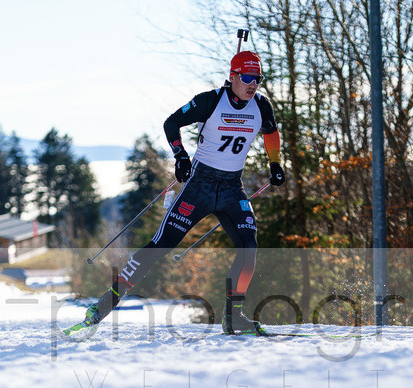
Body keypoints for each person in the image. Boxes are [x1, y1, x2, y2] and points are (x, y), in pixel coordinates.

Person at [74, 50, 286, 335]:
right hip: (199, 187)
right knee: (160, 246)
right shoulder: (210, 100)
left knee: (249, 248)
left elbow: (271, 133)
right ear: (233, 76)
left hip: (232, 189)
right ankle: (104, 305)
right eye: (247, 77)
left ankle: (233, 317)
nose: (253, 84)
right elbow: (171, 123)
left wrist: (275, 163)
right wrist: (180, 156)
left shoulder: (261, 105)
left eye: (257, 78)